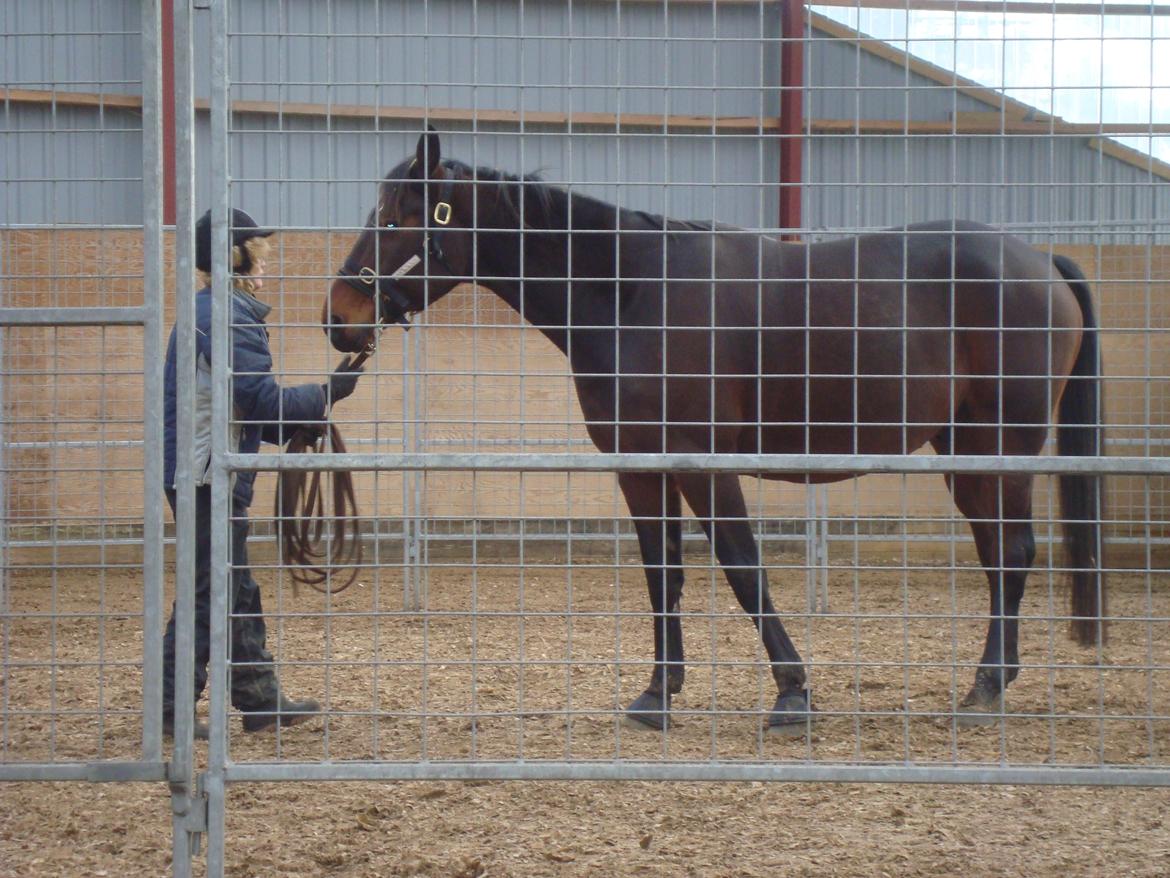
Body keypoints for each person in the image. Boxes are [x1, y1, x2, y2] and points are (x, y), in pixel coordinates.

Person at [161, 208, 364, 739]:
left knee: (228, 586)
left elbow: (243, 405)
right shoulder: (227, 316)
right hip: (207, 474)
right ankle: (168, 710)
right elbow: (260, 399)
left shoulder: (215, 311)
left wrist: (308, 413)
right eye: (257, 250)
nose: (264, 262)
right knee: (213, 591)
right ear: (235, 255)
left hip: (202, 469)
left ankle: (258, 699)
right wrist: (325, 395)